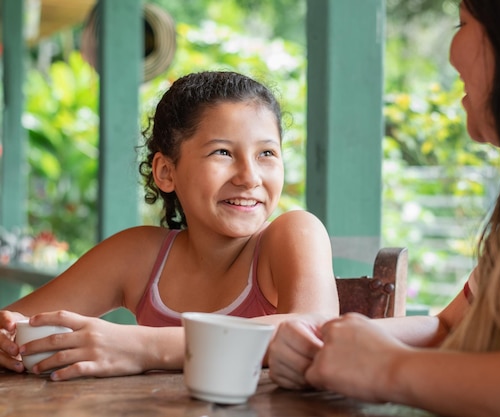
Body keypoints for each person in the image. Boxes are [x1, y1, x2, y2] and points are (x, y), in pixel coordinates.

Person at [267, 0, 500, 415]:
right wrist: (333, 341)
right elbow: (450, 326)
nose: (451, 51)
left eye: (463, 22)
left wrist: (388, 369)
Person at [0, 70, 339, 381]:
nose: (249, 177)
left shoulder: (294, 233)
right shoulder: (139, 255)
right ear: (166, 172)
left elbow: (313, 329)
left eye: (266, 153)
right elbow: (18, 322)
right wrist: (8, 338)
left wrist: (140, 346)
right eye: (222, 152)